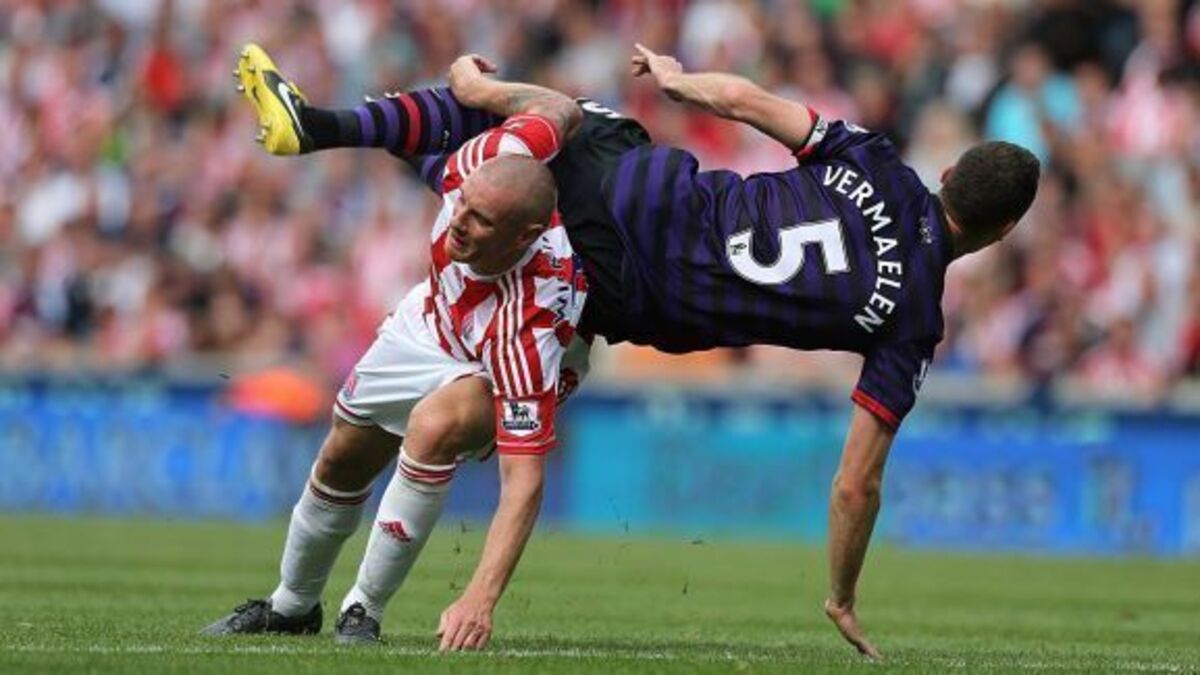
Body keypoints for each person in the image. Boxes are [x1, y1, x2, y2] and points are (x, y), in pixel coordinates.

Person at [215, 43, 1040, 657]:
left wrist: (678, 80)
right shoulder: (910, 318)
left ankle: (354, 120)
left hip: (640, 186)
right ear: (1003, 230)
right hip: (626, 287)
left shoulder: (876, 159)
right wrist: (841, 594)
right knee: (499, 195)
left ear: (948, 171)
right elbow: (856, 485)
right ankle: (426, 122)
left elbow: (746, 99)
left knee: (533, 123)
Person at [202, 45, 591, 646]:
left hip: (496, 359)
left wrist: (480, 598)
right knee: (342, 455)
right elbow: (562, 109)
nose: (459, 221)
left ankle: (363, 609)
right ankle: (292, 606)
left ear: (525, 236)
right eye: (463, 205)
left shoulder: (529, 324)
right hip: (430, 320)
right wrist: (477, 90)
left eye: (482, 221)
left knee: (434, 427)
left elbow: (523, 482)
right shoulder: (487, 161)